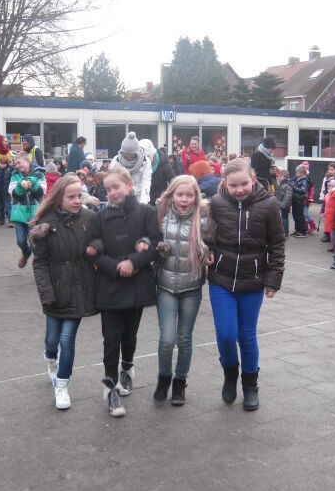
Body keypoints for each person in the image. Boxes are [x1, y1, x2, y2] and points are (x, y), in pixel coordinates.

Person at [208, 158, 285, 410]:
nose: (239, 189)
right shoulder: (216, 203)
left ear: (252, 179)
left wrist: (273, 278)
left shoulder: (269, 204)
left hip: (252, 281)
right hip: (221, 280)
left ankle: (250, 385)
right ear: (225, 183)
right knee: (226, 334)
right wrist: (208, 250)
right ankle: (230, 374)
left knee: (246, 335)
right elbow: (207, 236)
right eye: (233, 186)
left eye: (244, 184)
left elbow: (277, 243)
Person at [86, 166, 161, 418]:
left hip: (136, 284)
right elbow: (94, 250)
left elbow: (155, 244)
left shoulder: (147, 212)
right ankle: (110, 389)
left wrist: (134, 262)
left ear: (129, 186)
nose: (112, 193)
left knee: (130, 335)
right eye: (108, 189)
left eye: (116, 187)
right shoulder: (99, 217)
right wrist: (117, 267)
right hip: (109, 284)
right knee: (111, 339)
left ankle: (127, 368)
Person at [31, 174, 98, 409]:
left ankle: (62, 384)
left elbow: (101, 240)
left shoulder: (89, 218)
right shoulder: (46, 223)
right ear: (59, 197)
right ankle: (50, 358)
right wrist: (46, 294)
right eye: (71, 197)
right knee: (52, 341)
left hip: (80, 287)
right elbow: (40, 263)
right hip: (56, 288)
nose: (77, 200)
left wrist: (96, 247)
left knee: (67, 339)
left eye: (80, 195)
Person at [151, 175, 212, 406]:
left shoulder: (204, 218)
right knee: (167, 339)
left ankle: (180, 382)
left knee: (184, 339)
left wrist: (208, 252)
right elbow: (148, 238)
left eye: (189, 195)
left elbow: (214, 241)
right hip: (165, 285)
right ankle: (164, 378)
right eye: (180, 194)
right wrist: (155, 248)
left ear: (196, 196)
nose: (184, 199)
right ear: (171, 195)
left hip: (191, 286)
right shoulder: (161, 214)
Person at [9, 151, 46, 268]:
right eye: (15, 164)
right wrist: (20, 186)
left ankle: (39, 264)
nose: (17, 166)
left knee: (33, 241)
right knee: (20, 240)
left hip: (35, 214)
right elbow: (13, 193)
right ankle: (26, 252)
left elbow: (41, 192)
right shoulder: (15, 175)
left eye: (19, 162)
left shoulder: (39, 173)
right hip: (19, 213)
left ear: (28, 161)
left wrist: (33, 184)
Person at [110, 132, 152, 204]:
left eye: (131, 154)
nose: (128, 156)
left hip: (139, 198)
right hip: (121, 197)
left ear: (136, 153)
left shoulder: (145, 162)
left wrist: (143, 205)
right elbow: (112, 182)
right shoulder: (116, 161)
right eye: (125, 154)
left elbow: (146, 183)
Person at [139, 139, 175, 205]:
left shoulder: (165, 165)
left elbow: (174, 182)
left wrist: (167, 196)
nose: (145, 160)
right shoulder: (140, 165)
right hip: (143, 202)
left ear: (153, 154)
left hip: (159, 203)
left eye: (147, 157)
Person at [319, 163, 335, 242]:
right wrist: (323, 196)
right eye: (329, 169)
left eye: (332, 169)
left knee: (334, 219)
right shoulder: (326, 178)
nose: (330, 171)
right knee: (327, 219)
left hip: (334, 198)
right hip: (327, 199)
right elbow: (323, 188)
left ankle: (333, 234)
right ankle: (327, 234)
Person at [291, 164, 310, 237]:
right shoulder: (297, 178)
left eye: (297, 172)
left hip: (299, 200)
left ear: (302, 173)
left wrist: (294, 187)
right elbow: (291, 181)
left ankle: (302, 232)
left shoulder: (305, 180)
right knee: (295, 215)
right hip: (295, 199)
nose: (296, 174)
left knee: (300, 216)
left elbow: (303, 190)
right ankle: (297, 230)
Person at [274, 169, 293, 237]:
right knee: (282, 219)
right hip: (281, 205)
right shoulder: (280, 185)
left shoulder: (287, 186)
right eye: (278, 176)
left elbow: (287, 197)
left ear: (285, 177)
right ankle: (282, 231)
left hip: (284, 206)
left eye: (280, 176)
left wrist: (282, 204)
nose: (278, 177)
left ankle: (285, 232)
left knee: (284, 219)